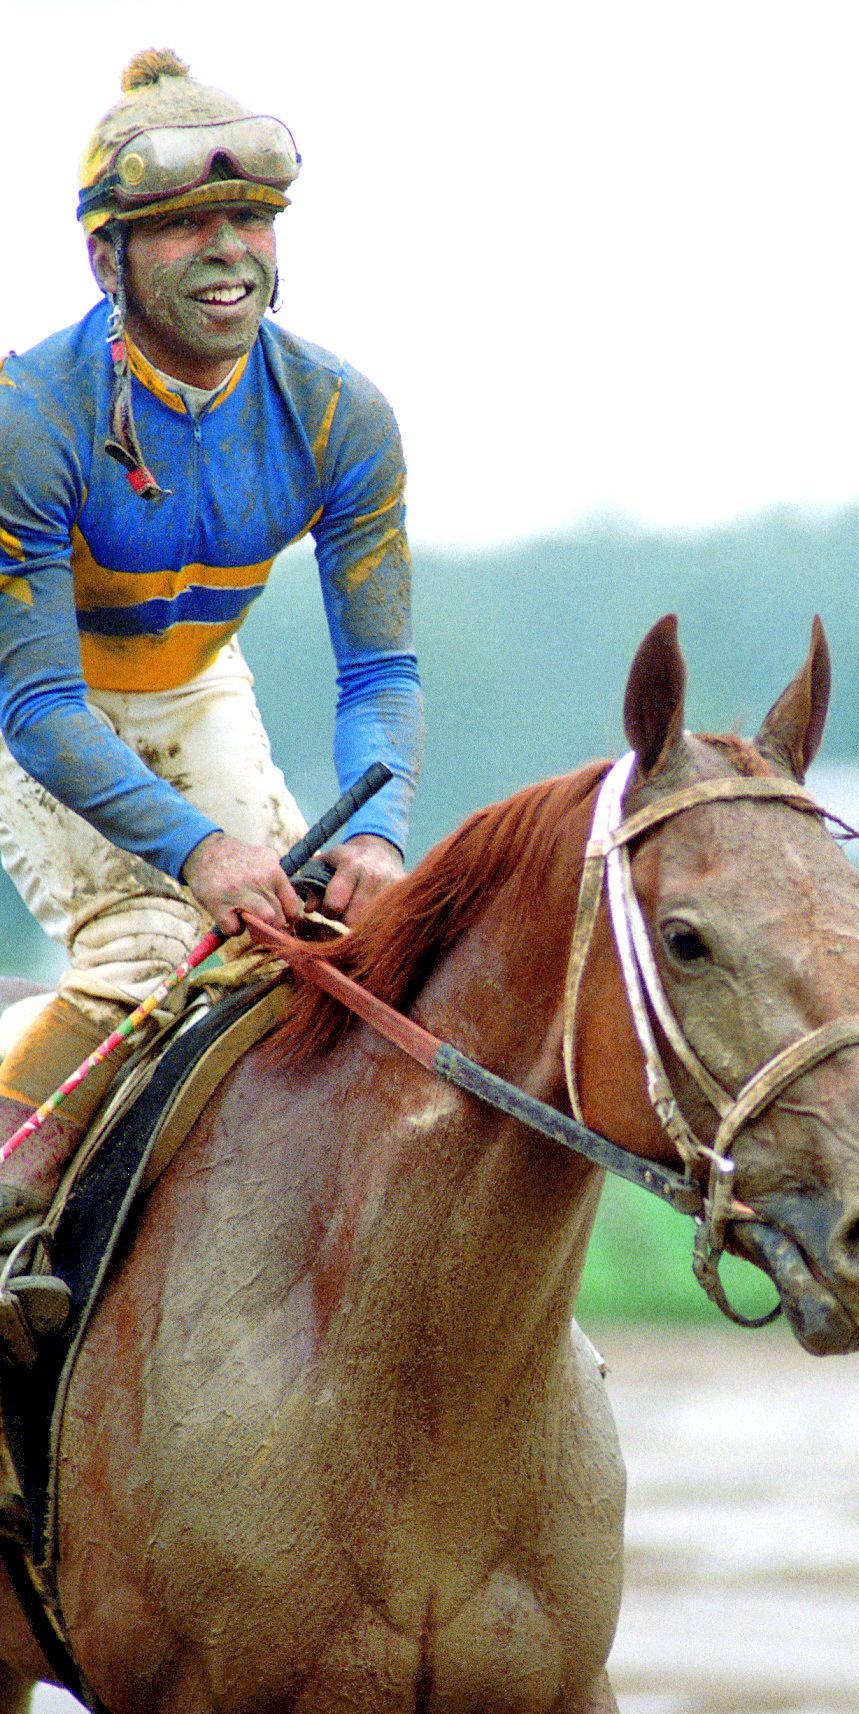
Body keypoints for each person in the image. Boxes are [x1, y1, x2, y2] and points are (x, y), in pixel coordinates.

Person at [0, 49, 422, 1233]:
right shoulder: (30, 421)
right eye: (184, 227)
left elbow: (381, 672)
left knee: (331, 943)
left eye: (248, 218)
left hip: (193, 685)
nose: (229, 247)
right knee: (148, 951)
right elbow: (39, 711)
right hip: (34, 703)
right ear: (106, 259)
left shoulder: (343, 415)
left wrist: (380, 829)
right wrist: (196, 851)